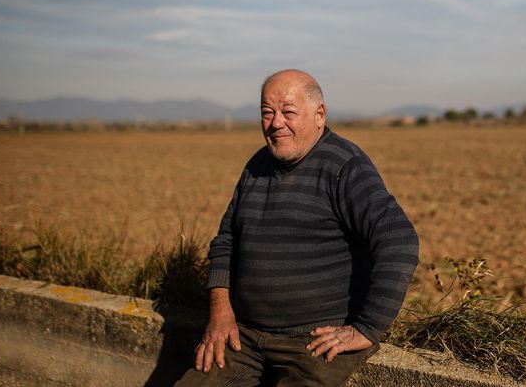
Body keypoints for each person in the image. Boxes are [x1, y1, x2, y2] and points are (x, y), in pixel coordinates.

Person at [175, 69, 419, 386]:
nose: (276, 123)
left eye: (288, 112)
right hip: (243, 336)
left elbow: (399, 240)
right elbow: (226, 242)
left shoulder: (344, 165)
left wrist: (366, 328)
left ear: (319, 115)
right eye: (267, 113)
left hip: (315, 342)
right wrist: (221, 313)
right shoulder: (257, 166)